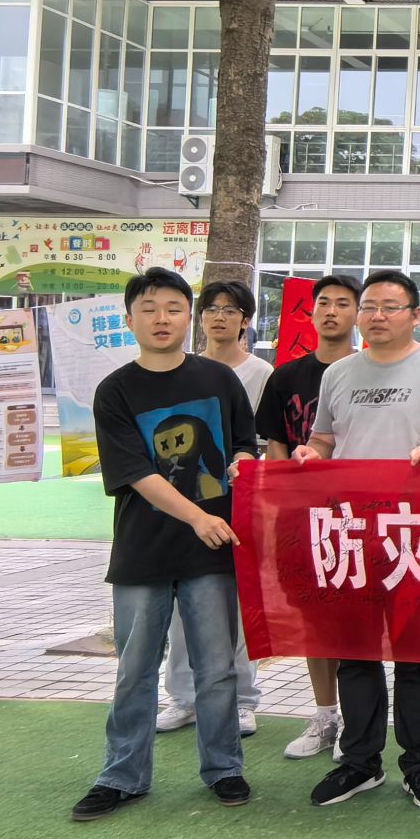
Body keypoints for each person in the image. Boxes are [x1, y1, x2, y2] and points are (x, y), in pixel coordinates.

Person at [71, 268, 257, 822]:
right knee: (135, 669)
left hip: (213, 550)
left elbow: (244, 444)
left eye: (174, 308)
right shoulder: (115, 391)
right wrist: (198, 516)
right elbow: (135, 473)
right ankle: (121, 776)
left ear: (188, 317)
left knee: (217, 668)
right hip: (143, 551)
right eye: (149, 309)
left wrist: (242, 462)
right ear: (129, 320)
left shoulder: (219, 380)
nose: (161, 319)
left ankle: (224, 768)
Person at [295, 271, 420, 811]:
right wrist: (310, 455)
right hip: (350, 531)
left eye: (390, 307)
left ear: (416, 315)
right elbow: (324, 438)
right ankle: (360, 762)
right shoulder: (338, 373)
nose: (376, 316)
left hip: (415, 532)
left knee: (416, 655)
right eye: (369, 306)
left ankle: (419, 766)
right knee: (355, 653)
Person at [152, 278, 270, 739]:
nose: (220, 317)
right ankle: (183, 697)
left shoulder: (261, 373)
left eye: (231, 309)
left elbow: (260, 441)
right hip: (183, 503)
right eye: (212, 308)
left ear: (245, 321)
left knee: (237, 603)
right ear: (199, 317)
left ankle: (242, 699)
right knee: (183, 599)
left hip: (241, 503)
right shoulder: (178, 369)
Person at [253, 273, 362, 761]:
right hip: (304, 516)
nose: (332, 311)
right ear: (311, 312)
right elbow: (276, 445)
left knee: (357, 620)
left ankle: (359, 719)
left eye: (343, 303)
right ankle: (324, 715)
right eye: (324, 303)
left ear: (358, 313)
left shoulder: (371, 373)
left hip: (360, 516)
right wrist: (285, 500)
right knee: (315, 617)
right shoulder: (286, 377)